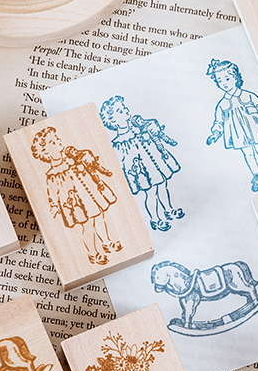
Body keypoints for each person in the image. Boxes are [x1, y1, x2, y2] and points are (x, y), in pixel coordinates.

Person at [31, 126, 120, 265]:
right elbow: (53, 192)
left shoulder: (71, 158)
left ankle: (107, 242)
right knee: (88, 226)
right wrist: (54, 205)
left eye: (57, 139)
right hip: (76, 203)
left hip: (89, 194)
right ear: (45, 152)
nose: (58, 142)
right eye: (52, 142)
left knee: (100, 217)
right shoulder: (53, 174)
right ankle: (93, 253)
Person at [100, 95, 183, 231]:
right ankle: (155, 219)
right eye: (120, 111)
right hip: (142, 172)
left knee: (163, 185)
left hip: (155, 164)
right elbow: (122, 162)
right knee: (151, 193)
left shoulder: (138, 128)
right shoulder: (119, 142)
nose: (125, 110)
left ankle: (169, 209)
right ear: (113, 121)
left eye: (124, 108)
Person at [206, 59, 258, 192]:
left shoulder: (247, 95)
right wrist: (215, 133)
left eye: (227, 79)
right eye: (220, 81)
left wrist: (257, 110)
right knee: (248, 154)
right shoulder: (222, 104)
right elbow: (218, 121)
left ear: (235, 77)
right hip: (238, 133)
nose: (224, 83)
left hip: (255, 128)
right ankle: (257, 177)